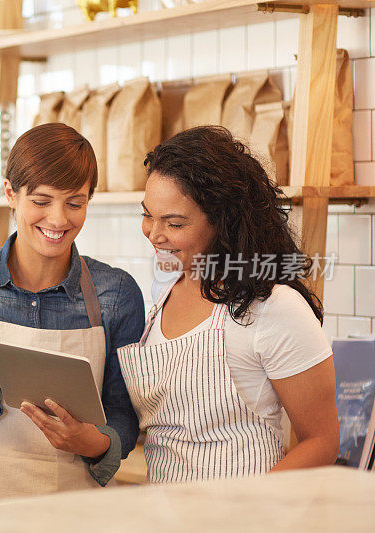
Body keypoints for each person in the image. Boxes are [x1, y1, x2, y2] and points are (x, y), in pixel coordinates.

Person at [0, 123, 144, 499]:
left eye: (75, 203)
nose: (58, 220)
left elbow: (123, 416)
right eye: (41, 201)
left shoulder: (116, 293)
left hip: (77, 513)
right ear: (10, 193)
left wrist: (94, 443)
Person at [118, 125, 339, 483]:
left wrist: (244, 507)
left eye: (173, 223)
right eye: (147, 215)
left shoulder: (273, 306)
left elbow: (322, 442)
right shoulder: (165, 290)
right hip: (164, 512)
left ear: (222, 221)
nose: (154, 234)